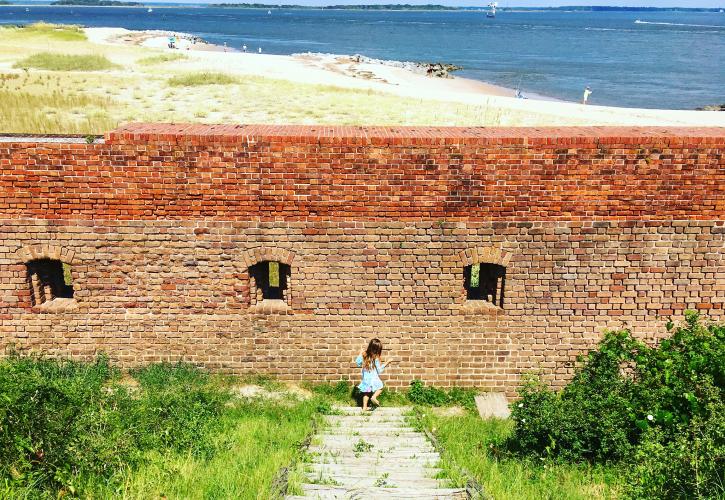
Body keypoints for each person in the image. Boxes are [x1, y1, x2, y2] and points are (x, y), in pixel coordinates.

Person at [354, 338, 393, 411]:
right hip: (374, 379)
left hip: (366, 380)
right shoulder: (376, 358)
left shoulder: (364, 354)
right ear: (378, 349)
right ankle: (374, 397)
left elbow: (358, 363)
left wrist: (360, 354)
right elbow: (379, 371)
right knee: (380, 387)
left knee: (366, 393)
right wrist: (387, 362)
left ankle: (364, 408)